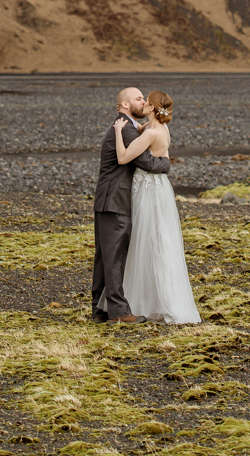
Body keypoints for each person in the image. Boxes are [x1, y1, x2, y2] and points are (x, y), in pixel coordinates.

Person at [114, 89, 201, 324]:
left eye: (146, 102)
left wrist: (119, 132)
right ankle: (161, 299)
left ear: (152, 108)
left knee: (146, 241)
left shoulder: (151, 133)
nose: (142, 103)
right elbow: (159, 152)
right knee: (160, 239)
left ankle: (144, 301)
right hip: (160, 187)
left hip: (147, 190)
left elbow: (123, 158)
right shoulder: (161, 129)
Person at [91, 86, 170, 324]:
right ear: (125, 105)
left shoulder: (130, 127)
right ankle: (118, 312)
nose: (143, 101)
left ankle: (100, 311)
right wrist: (167, 163)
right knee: (114, 256)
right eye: (138, 98)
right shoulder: (125, 128)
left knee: (106, 256)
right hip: (115, 200)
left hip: (109, 199)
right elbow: (147, 162)